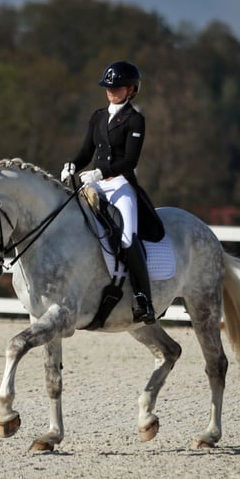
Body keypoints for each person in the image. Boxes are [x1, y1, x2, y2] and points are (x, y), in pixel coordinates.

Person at [61, 60, 164, 325]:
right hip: (94, 184)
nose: (111, 90)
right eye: (109, 86)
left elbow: (130, 160)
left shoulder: (135, 119)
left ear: (131, 90)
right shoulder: (97, 117)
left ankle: (143, 299)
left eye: (117, 87)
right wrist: (73, 163)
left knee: (128, 238)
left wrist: (101, 171)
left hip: (121, 185)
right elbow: (86, 151)